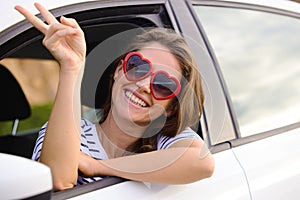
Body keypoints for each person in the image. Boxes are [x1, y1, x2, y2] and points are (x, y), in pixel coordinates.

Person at [15, 3, 214, 191]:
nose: (144, 85)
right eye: (138, 66)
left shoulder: (165, 143)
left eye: (163, 85)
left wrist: (98, 166)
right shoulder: (73, 132)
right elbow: (58, 181)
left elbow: (202, 161)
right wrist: (71, 68)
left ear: (170, 107)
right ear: (119, 71)